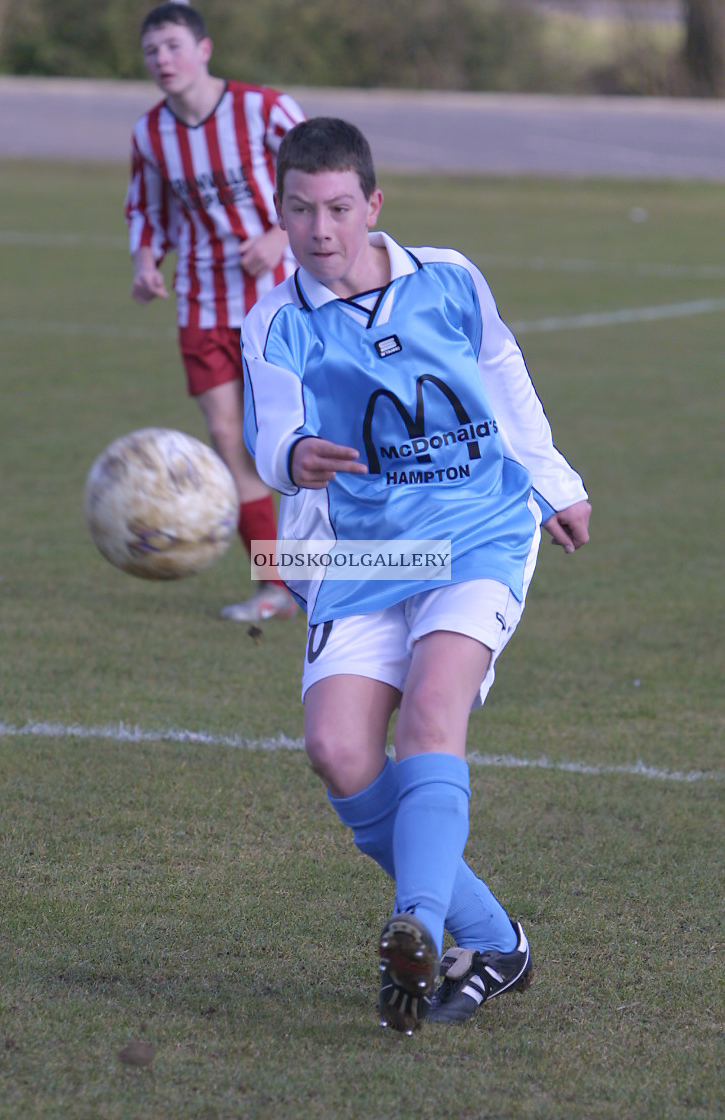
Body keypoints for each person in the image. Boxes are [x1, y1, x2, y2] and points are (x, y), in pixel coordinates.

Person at [241, 117, 592, 1033]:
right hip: (356, 554)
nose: (321, 230)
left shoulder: (449, 278)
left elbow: (501, 369)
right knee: (339, 753)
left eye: (339, 208)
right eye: (301, 210)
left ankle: (419, 925)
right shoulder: (276, 318)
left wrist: (554, 482)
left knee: (433, 709)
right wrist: (295, 454)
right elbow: (268, 431)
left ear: (373, 204)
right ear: (281, 213)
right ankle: (493, 939)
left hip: (477, 527)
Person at [125, 2, 303, 621]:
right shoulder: (150, 134)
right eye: (151, 51)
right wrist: (146, 260)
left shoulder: (263, 109)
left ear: (203, 50)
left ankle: (369, 568)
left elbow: (324, 181)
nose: (162, 60)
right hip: (202, 301)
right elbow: (148, 210)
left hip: (283, 304)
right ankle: (276, 586)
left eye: (173, 46)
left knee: (304, 440)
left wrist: (283, 237)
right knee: (230, 441)